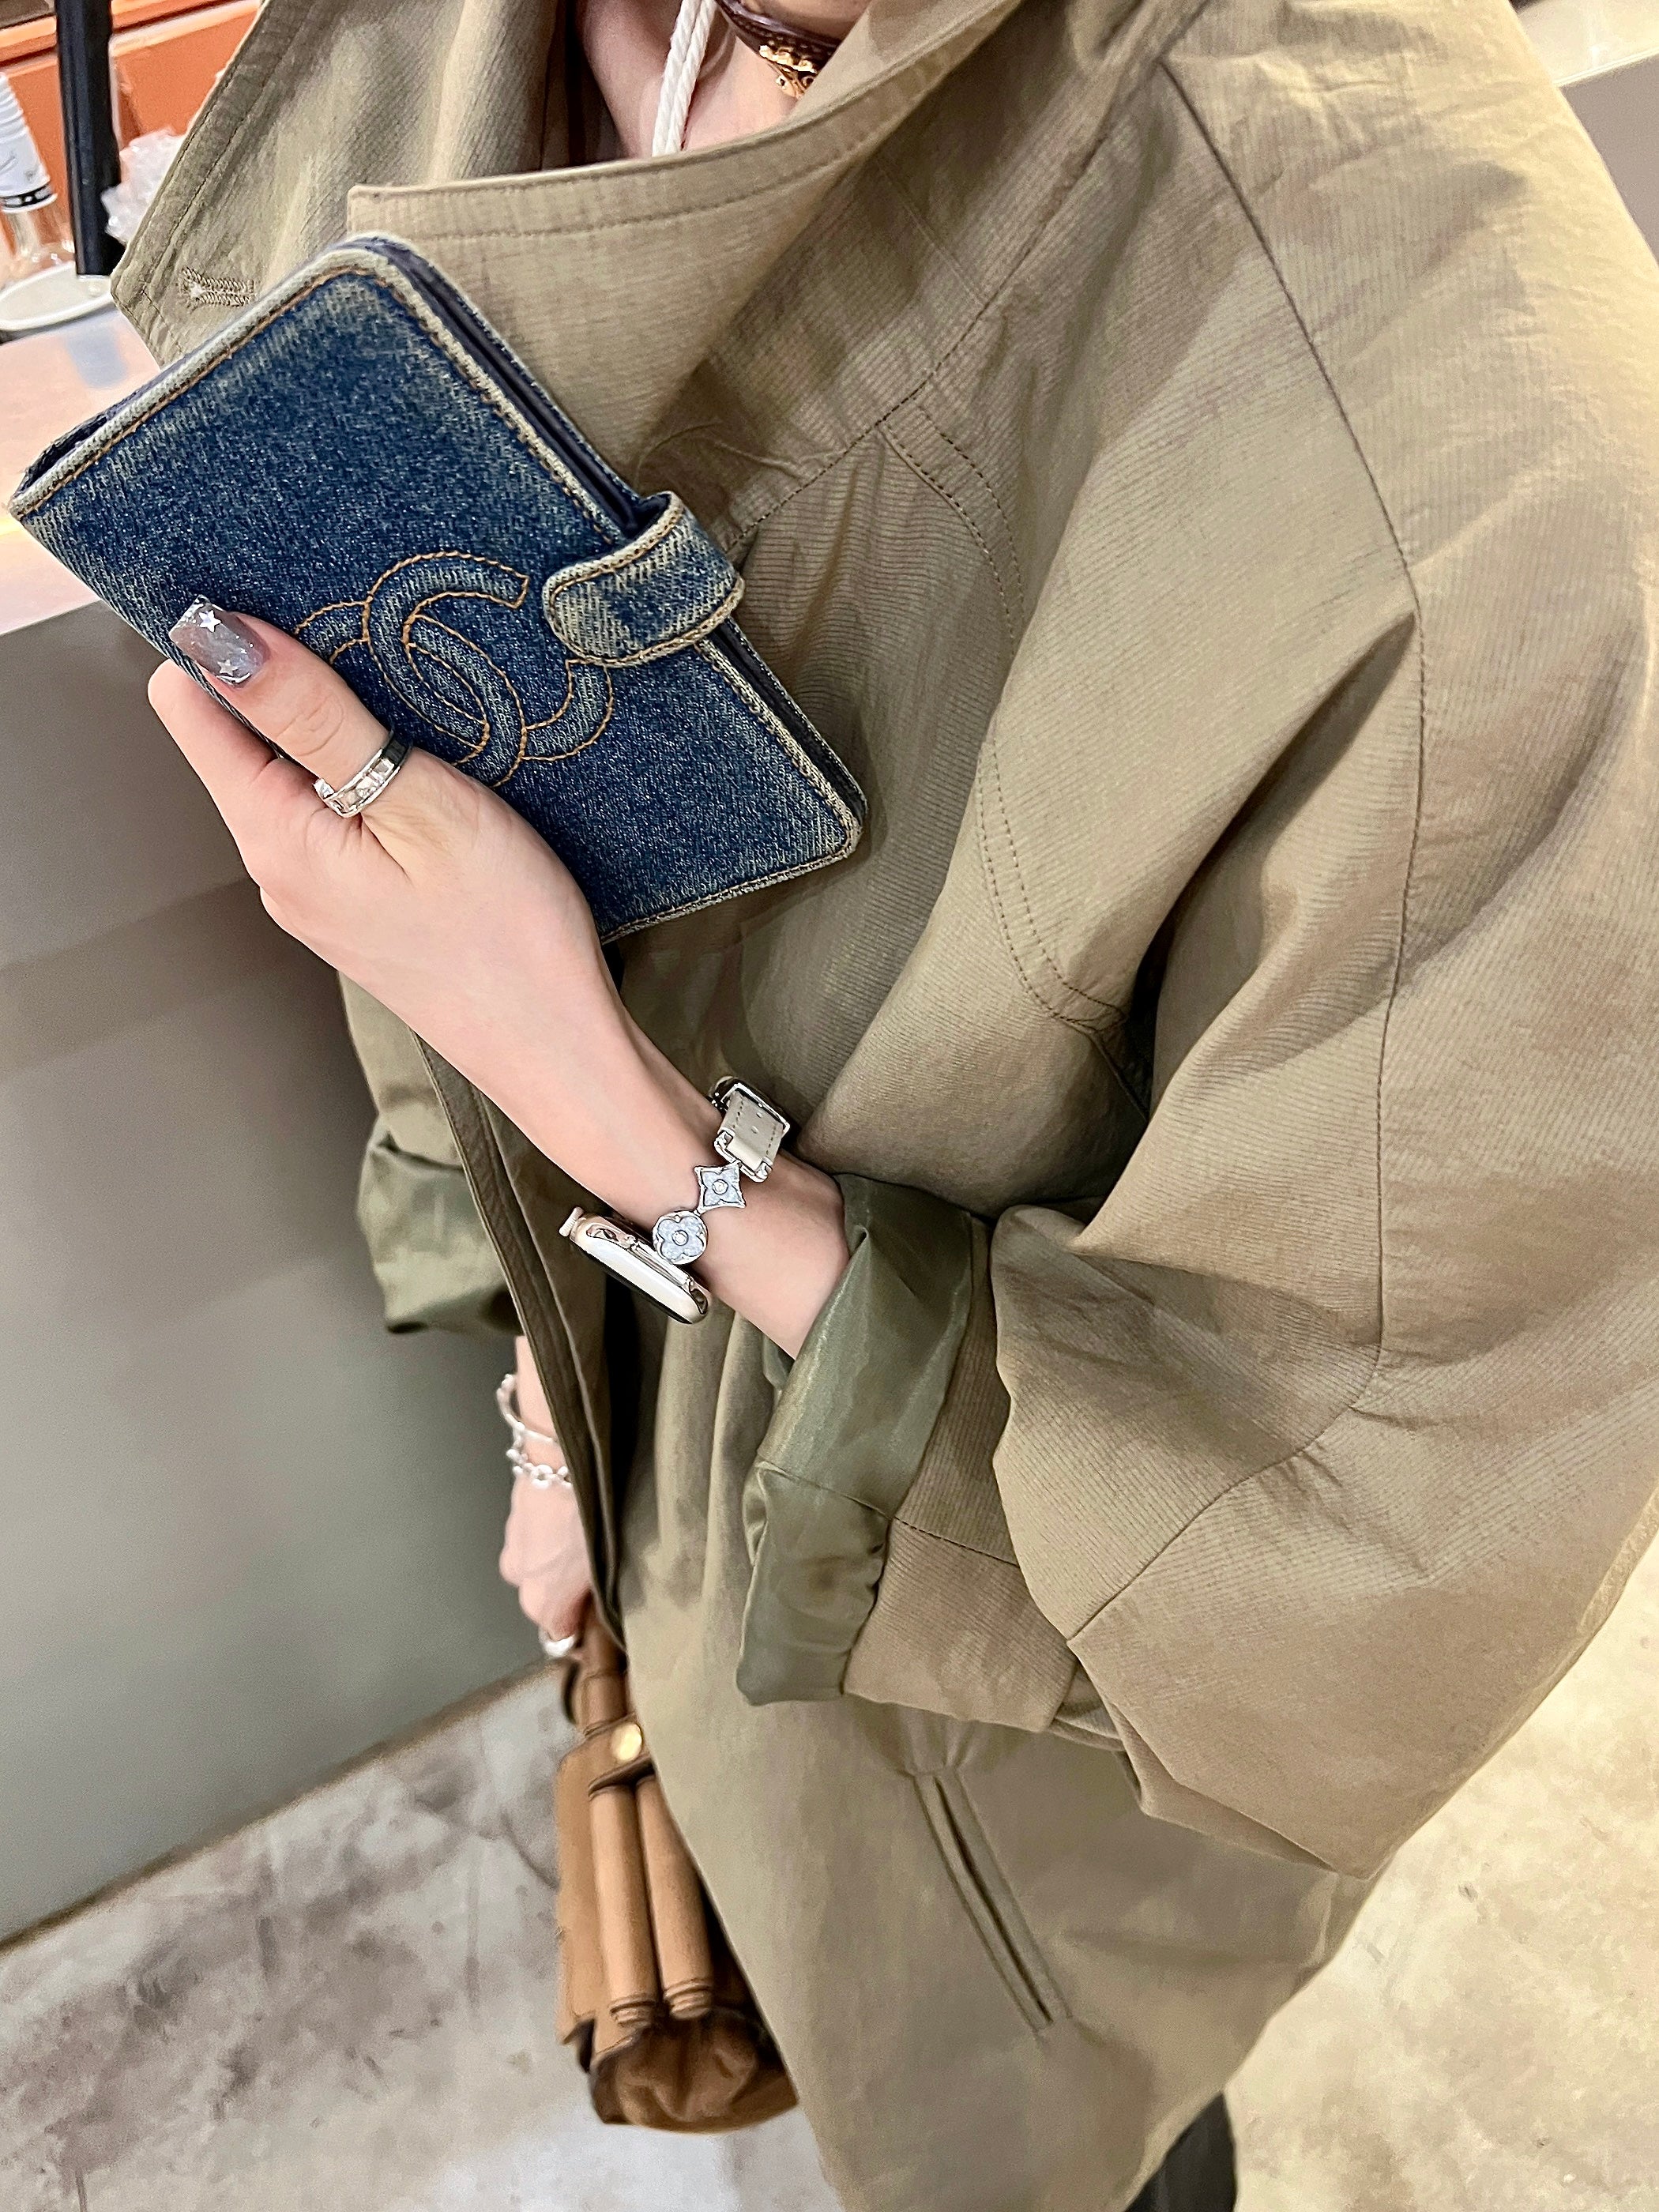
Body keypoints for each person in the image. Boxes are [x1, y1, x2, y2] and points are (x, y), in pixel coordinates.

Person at [125, 0, 1659, 2203]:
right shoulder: (478, 38)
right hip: (660, 1450)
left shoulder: (1475, 447)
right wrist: (552, 1399)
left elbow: (1357, 1537)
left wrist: (608, 1105)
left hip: (1002, 1701)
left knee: (1034, 2108)